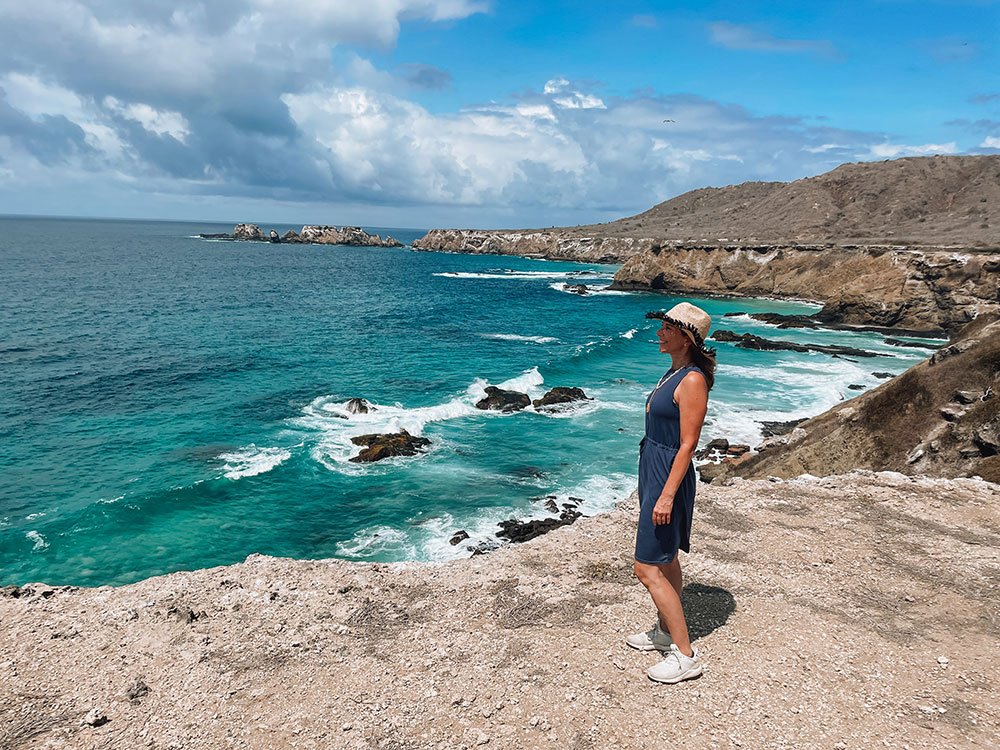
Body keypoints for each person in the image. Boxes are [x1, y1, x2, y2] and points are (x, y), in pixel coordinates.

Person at [626, 301, 716, 684]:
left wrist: (665, 495)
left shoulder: (691, 379)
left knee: (645, 568)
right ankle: (665, 632)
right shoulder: (673, 372)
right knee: (665, 560)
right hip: (655, 468)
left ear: (686, 338)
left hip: (669, 474)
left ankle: (685, 655)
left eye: (667, 329)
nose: (660, 333)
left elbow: (688, 444)